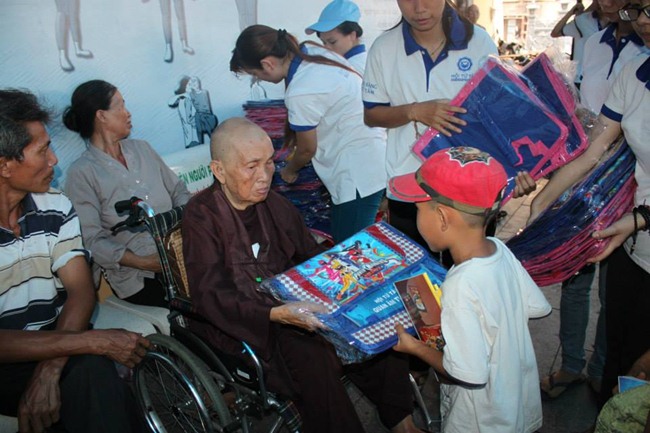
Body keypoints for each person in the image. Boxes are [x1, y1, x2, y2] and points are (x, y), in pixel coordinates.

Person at [182, 117, 424, 433]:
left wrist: (355, 276)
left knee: (371, 321)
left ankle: (403, 423)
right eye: (251, 167)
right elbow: (210, 293)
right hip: (245, 322)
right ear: (219, 170)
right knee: (314, 353)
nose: (264, 176)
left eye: (269, 163)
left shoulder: (275, 204)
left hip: (295, 304)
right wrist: (274, 313)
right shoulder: (202, 216)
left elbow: (311, 258)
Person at [0, 89, 150, 433]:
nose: (54, 160)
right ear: (5, 165)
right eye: (42, 151)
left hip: (59, 338)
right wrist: (94, 342)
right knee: (92, 374)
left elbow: (80, 291)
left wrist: (50, 367)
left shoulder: (54, 205)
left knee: (90, 376)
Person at [530, 0, 650, 409]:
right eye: (637, 10)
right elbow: (593, 149)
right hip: (634, 245)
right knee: (622, 359)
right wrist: (544, 200)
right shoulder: (635, 73)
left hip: (636, 221)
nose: (643, 21)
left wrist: (641, 218)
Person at [388, 146, 552, 433]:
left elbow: (468, 373)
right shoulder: (499, 249)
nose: (416, 216)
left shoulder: (460, 285)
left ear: (442, 217)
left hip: (480, 420)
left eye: (418, 209)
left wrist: (414, 347)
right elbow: (537, 306)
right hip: (514, 403)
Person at [361, 0, 499, 250]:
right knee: (416, 270)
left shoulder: (479, 43)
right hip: (408, 183)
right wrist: (414, 111)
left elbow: (498, 116)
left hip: (469, 188)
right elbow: (372, 115)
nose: (419, 8)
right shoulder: (384, 48)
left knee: (469, 268)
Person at [230, 25, 386, 242]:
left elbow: (306, 149)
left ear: (267, 64)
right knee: (343, 238)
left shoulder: (300, 90)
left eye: (256, 75)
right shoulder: (310, 50)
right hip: (368, 156)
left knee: (352, 247)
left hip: (358, 171)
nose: (259, 80)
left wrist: (290, 170)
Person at [64, 79, 191, 308]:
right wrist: (144, 262)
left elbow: (179, 191)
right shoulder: (82, 173)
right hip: (139, 276)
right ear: (101, 116)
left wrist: (183, 234)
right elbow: (91, 240)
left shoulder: (142, 149)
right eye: (120, 106)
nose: (128, 113)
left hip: (181, 255)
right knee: (200, 302)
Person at [551, 0, 608, 89]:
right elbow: (555, 33)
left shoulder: (619, 26)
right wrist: (571, 12)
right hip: (582, 78)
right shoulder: (583, 21)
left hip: (605, 78)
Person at [305, 0, 368, 74]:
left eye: (332, 42)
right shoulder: (343, 63)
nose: (327, 48)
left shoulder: (354, 67)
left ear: (352, 35)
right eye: (324, 42)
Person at [168, 75, 219, 148]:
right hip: (196, 126)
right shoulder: (186, 97)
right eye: (190, 83)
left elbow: (203, 108)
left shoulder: (202, 93)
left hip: (207, 120)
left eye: (194, 82)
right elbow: (170, 102)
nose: (193, 84)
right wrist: (183, 95)